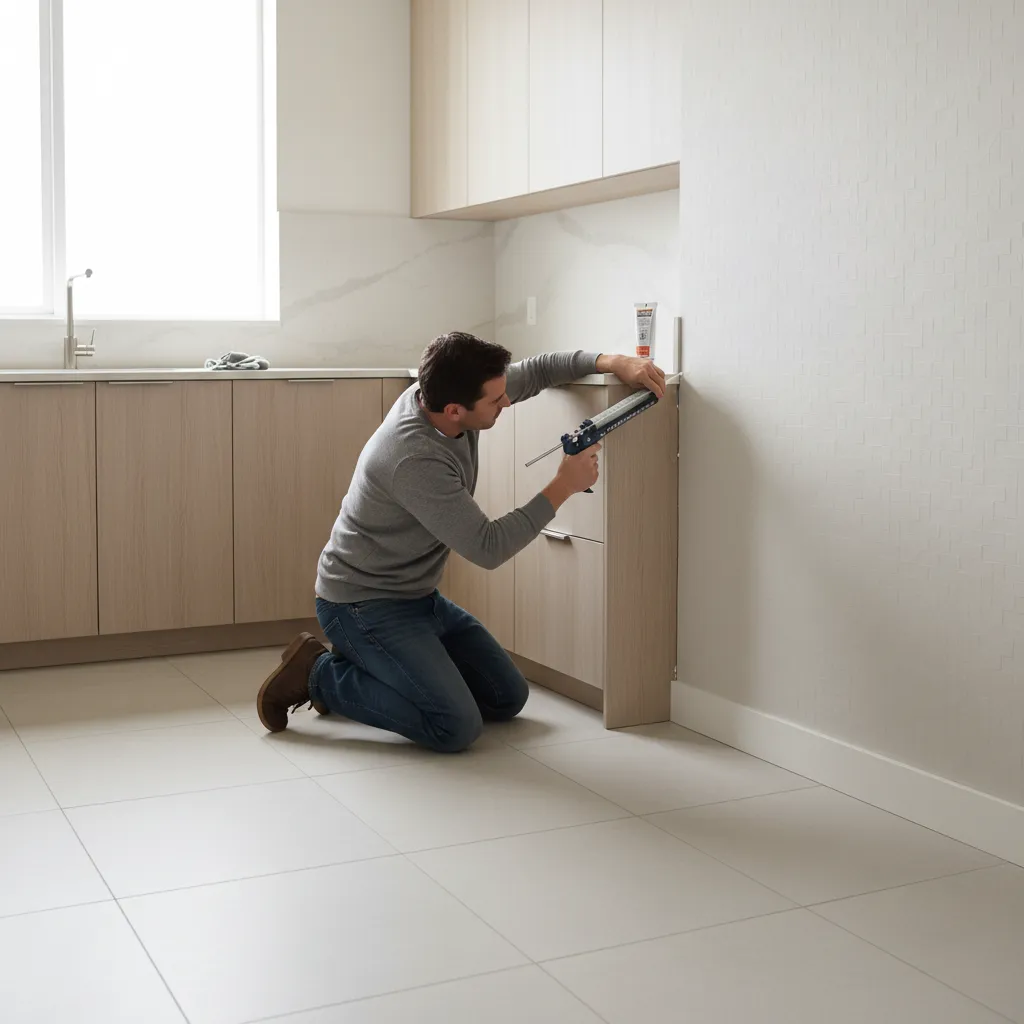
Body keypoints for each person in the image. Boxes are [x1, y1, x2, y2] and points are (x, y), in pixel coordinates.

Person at [256, 331, 666, 752]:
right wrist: (563, 486)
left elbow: (539, 370)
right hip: (362, 603)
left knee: (507, 697)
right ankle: (319, 674)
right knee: (454, 725)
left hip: (419, 597)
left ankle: (380, 665)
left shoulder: (443, 391)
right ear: (454, 411)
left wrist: (612, 361)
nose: (506, 403)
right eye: (495, 401)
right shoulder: (413, 458)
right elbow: (488, 548)